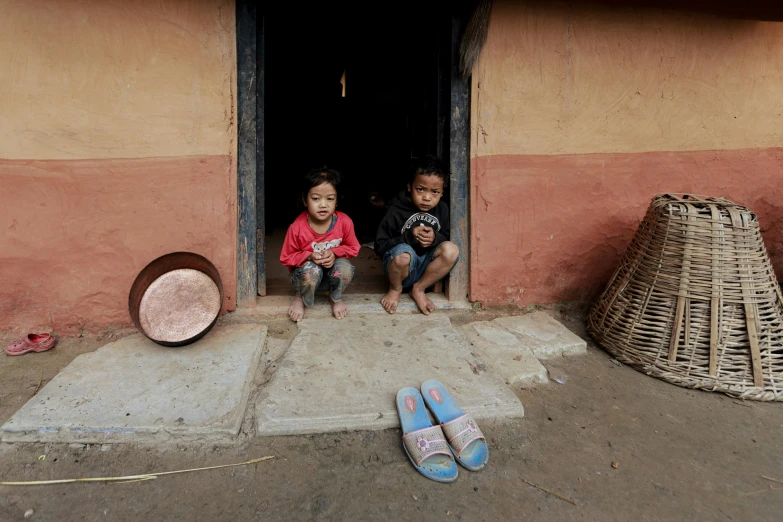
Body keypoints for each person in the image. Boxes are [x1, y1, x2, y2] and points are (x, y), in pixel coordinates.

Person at [374, 157, 459, 315]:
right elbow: (380, 246)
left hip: (426, 269)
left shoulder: (443, 209)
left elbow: (447, 236)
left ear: (442, 193)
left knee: (451, 250)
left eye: (435, 192)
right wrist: (409, 237)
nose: (427, 197)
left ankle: (419, 289)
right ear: (409, 187)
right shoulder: (395, 210)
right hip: (399, 268)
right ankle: (395, 289)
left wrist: (435, 239)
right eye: (421, 189)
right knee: (403, 256)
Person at [280, 167, 360, 322]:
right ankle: (300, 297)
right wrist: (309, 256)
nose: (323, 204)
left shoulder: (344, 222)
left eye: (330, 199)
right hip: (308, 277)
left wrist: (335, 252)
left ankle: (335, 296)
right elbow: (286, 257)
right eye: (316, 198)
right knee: (312, 270)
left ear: (337, 201)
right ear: (305, 200)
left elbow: (354, 248)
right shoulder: (297, 228)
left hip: (333, 275)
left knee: (345, 268)